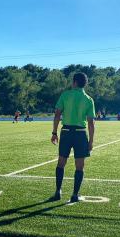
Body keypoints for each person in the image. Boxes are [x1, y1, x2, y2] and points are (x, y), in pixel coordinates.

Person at [51, 72, 95, 203]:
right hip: (81, 133)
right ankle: (75, 194)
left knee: (61, 162)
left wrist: (54, 133)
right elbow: (91, 123)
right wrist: (91, 141)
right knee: (79, 166)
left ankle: (58, 191)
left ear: (74, 82)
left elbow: (57, 115)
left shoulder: (65, 95)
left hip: (66, 132)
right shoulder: (88, 99)